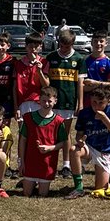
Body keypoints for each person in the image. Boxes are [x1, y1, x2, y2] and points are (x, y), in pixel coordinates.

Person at [45, 27, 86, 178]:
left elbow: (80, 83)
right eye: (61, 45)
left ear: (73, 44)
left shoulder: (79, 59)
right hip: (52, 102)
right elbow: (45, 79)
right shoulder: (51, 57)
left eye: (67, 46)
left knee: (65, 134)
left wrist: (80, 104)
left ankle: (66, 165)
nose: (63, 49)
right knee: (50, 134)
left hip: (69, 101)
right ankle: (50, 164)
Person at [69, 86, 110, 197]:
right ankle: (79, 188)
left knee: (100, 189)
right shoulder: (85, 113)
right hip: (90, 147)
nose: (96, 106)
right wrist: (80, 141)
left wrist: (104, 119)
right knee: (74, 150)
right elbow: (79, 135)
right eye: (94, 102)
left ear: (109, 101)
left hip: (105, 151)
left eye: (101, 103)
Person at [19, 85, 66, 198]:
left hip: (47, 163)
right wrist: (21, 162)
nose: (46, 104)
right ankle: (28, 182)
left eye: (49, 101)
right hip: (31, 161)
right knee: (27, 193)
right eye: (43, 101)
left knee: (43, 194)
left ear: (55, 101)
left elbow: (63, 142)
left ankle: (39, 183)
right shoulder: (28, 117)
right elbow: (23, 140)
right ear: (39, 100)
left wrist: (51, 148)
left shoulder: (59, 121)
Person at [83, 31, 110, 96]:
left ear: (106, 43)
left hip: (103, 100)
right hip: (87, 100)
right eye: (95, 41)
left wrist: (95, 83)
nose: (98, 44)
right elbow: (82, 86)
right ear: (91, 43)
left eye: (101, 41)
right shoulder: (84, 61)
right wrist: (102, 85)